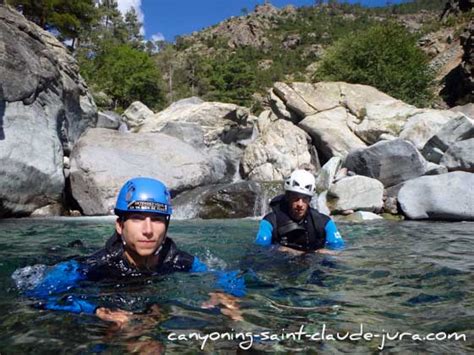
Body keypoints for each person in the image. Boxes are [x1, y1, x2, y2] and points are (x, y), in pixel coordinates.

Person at [13, 177, 245, 325]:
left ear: (167, 227)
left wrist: (226, 294)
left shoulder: (177, 260)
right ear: (120, 226)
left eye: (156, 220)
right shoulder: (96, 266)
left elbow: (227, 275)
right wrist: (94, 310)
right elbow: (36, 297)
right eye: (136, 219)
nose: (147, 230)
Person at [255, 169, 344, 254]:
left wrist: (323, 253)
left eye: (305, 198)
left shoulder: (324, 222)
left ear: (310, 200)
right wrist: (278, 249)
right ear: (287, 197)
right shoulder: (270, 221)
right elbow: (260, 249)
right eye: (295, 197)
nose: (300, 204)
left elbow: (340, 250)